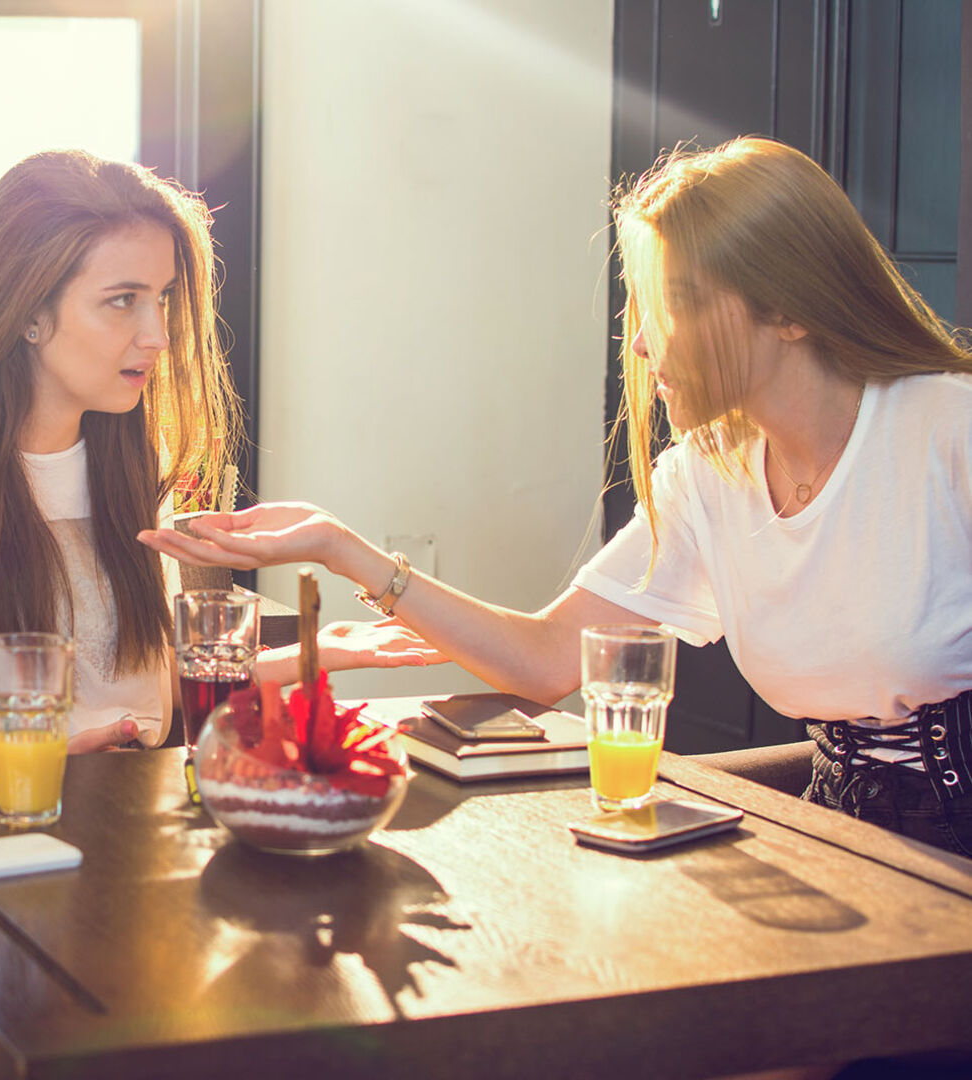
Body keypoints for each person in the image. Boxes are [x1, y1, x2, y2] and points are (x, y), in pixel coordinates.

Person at [140, 136, 972, 859]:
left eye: (675, 305)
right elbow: (546, 661)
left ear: (788, 310)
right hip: (845, 832)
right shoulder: (709, 476)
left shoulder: (947, 431)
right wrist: (338, 547)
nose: (642, 344)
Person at [0, 150, 435, 749]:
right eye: (124, 300)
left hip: (127, 813)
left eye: (163, 298)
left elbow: (144, 687)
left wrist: (315, 655)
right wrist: (30, 771)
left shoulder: (129, 450)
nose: (158, 336)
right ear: (29, 312)